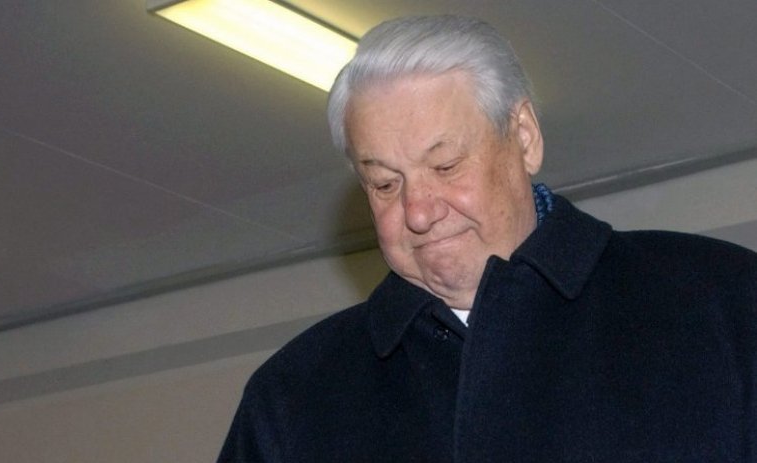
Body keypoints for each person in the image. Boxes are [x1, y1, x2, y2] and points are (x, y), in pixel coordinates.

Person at [219, 15, 757, 462]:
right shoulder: (294, 398)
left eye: (446, 166)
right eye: (385, 184)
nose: (418, 212)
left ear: (524, 137)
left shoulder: (721, 302)